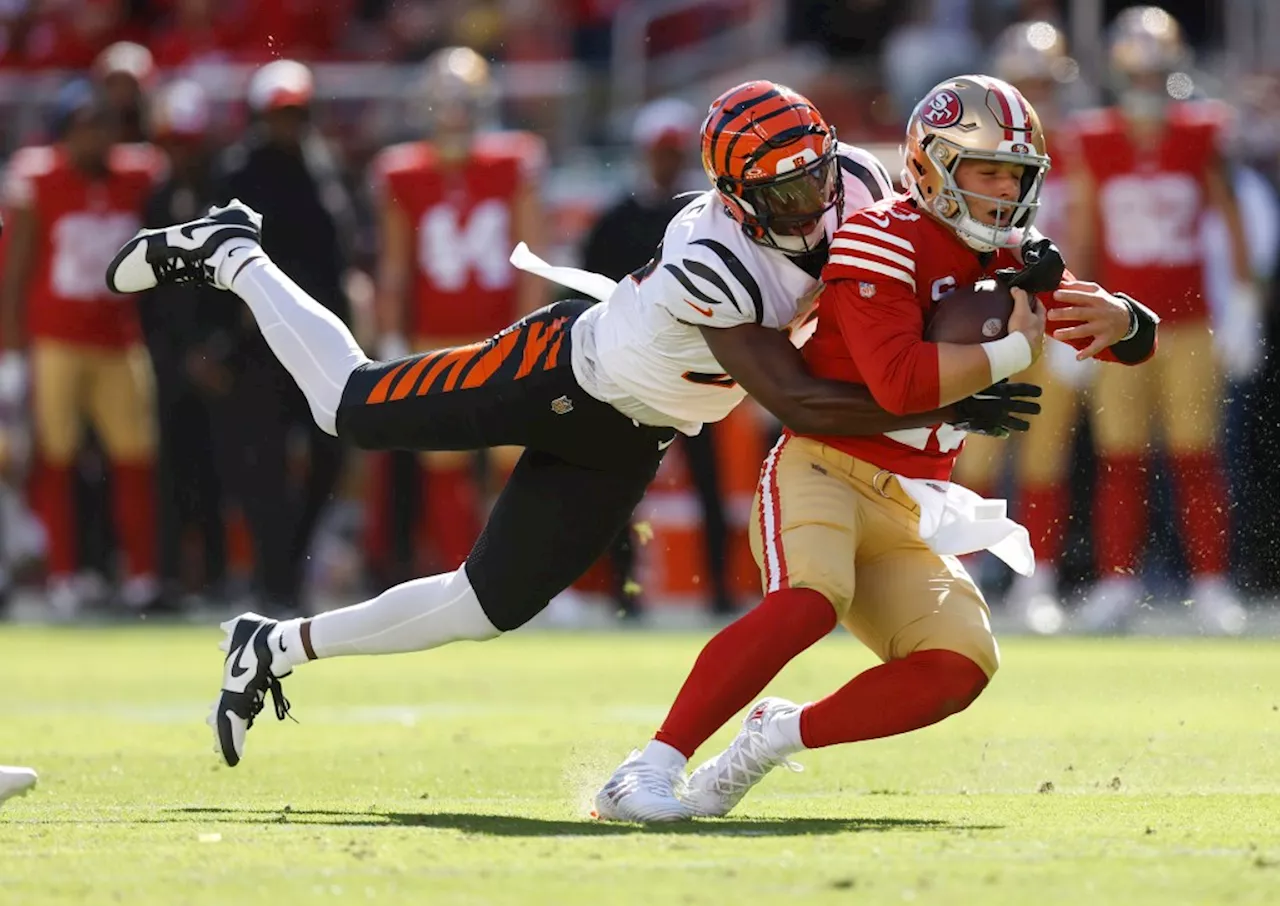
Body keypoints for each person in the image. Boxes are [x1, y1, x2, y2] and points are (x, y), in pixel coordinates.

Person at [106, 81, 1040, 769]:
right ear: (732, 194)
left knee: (484, 607)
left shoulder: (863, 186)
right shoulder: (711, 253)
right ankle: (232, 252)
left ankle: (273, 644)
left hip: (633, 433)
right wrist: (949, 391)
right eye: (783, 193)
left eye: (815, 177)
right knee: (345, 405)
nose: (810, 203)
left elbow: (938, 243)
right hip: (562, 375)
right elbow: (794, 400)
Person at [593, 74, 1160, 822]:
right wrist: (1003, 356)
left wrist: (1124, 316)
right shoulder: (877, 236)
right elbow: (897, 383)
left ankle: (774, 735)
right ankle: (648, 766)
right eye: (986, 170)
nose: (1003, 191)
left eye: (1016, 175)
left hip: (912, 502)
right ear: (930, 165)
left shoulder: (1013, 253)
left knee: (958, 667)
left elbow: (1123, 341)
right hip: (823, 467)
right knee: (805, 604)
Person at [1069, 7, 1254, 635]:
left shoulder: (1203, 130)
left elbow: (1234, 218)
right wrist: (1071, 312)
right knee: (1119, 458)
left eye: (1156, 71)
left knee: (1195, 456)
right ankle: (1117, 582)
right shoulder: (1092, 138)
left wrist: (1244, 302)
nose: (1147, 83)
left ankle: (1211, 583)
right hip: (1123, 326)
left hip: (1190, 323)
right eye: (1138, 71)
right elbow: (1085, 234)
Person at [369, 46, 546, 579]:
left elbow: (531, 259)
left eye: (463, 100)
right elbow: (395, 266)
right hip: (434, 337)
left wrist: (531, 333)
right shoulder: (402, 170)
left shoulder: (514, 161)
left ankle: (521, 577)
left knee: (515, 461)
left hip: (501, 334)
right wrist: (390, 338)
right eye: (445, 101)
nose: (454, 113)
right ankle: (459, 578)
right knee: (442, 464)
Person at [0, 81, 163, 617]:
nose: (96, 138)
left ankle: (141, 574)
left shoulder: (137, 175)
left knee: (136, 457)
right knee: (56, 460)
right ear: (66, 131)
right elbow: (15, 270)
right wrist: (10, 350)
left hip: (119, 339)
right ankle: (64, 576)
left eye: (103, 126)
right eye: (86, 127)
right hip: (58, 340)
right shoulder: (39, 180)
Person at [951, 21, 1088, 633]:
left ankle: (1040, 580)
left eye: (1041, 81)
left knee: (1045, 457)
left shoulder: (1081, 144)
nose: (1035, 93)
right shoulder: (975, 146)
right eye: (1024, 81)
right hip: (988, 313)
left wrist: (1077, 308)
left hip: (1051, 315)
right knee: (975, 449)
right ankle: (969, 570)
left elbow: (1087, 227)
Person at [579, 97, 735, 617]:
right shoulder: (621, 221)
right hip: (635, 372)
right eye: (661, 151)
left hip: (695, 369)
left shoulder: (703, 214)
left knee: (708, 484)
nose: (667, 162)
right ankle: (625, 594)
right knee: (620, 485)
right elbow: (591, 294)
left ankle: (719, 589)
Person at [212, 60, 354, 616]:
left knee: (328, 454)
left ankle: (288, 566)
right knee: (262, 468)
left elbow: (340, 256)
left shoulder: (324, 168)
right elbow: (217, 259)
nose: (287, 126)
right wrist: (220, 337)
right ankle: (274, 580)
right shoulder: (237, 175)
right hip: (259, 346)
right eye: (278, 115)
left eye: (295, 115)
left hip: (319, 341)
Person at [138, 80, 229, 602]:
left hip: (219, 359)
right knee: (171, 471)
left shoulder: (225, 200)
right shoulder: (157, 197)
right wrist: (171, 354)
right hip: (171, 358)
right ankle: (169, 576)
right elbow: (150, 292)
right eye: (172, 142)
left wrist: (215, 350)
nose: (180, 153)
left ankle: (217, 575)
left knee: (219, 470)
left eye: (187, 142)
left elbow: (237, 290)